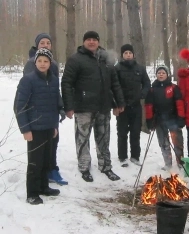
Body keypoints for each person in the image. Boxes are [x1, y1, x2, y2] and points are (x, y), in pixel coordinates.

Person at [61, 31, 125, 182]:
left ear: (98, 41)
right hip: (83, 106)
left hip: (103, 106)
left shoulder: (106, 58)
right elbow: (66, 83)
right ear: (84, 42)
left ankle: (106, 166)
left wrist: (119, 102)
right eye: (88, 39)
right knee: (82, 138)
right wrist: (68, 106)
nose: (91, 42)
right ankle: (84, 167)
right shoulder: (75, 59)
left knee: (104, 137)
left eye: (94, 40)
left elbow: (114, 83)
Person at [14, 49, 62, 205]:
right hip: (34, 128)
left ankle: (43, 187)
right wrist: (25, 129)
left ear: (50, 63)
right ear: (35, 62)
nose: (42, 64)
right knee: (35, 162)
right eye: (39, 61)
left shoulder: (54, 80)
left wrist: (55, 126)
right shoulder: (28, 80)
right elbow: (20, 106)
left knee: (47, 160)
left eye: (46, 61)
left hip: (49, 127)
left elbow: (55, 105)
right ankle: (32, 193)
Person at [23, 33, 68, 185]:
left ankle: (50, 170)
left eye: (48, 43)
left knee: (53, 142)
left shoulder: (53, 64)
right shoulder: (31, 63)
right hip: (37, 115)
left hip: (51, 113)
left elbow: (55, 89)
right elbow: (29, 91)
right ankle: (39, 178)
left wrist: (60, 107)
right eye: (42, 42)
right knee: (38, 149)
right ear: (37, 45)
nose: (45, 45)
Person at [114, 44, 151, 167]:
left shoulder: (140, 68)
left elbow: (146, 83)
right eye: (125, 53)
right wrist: (117, 103)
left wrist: (143, 94)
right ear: (122, 55)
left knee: (136, 132)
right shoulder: (117, 68)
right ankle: (122, 157)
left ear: (133, 55)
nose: (128, 55)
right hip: (122, 106)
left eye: (130, 53)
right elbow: (114, 86)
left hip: (136, 106)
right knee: (122, 132)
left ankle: (135, 156)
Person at [145, 65, 186, 170]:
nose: (161, 74)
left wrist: (181, 118)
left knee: (177, 142)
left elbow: (179, 103)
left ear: (167, 74)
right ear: (156, 75)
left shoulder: (173, 87)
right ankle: (168, 163)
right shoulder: (152, 89)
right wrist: (149, 120)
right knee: (163, 143)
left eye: (163, 73)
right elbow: (149, 106)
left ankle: (181, 162)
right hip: (159, 120)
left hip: (173, 119)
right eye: (159, 73)